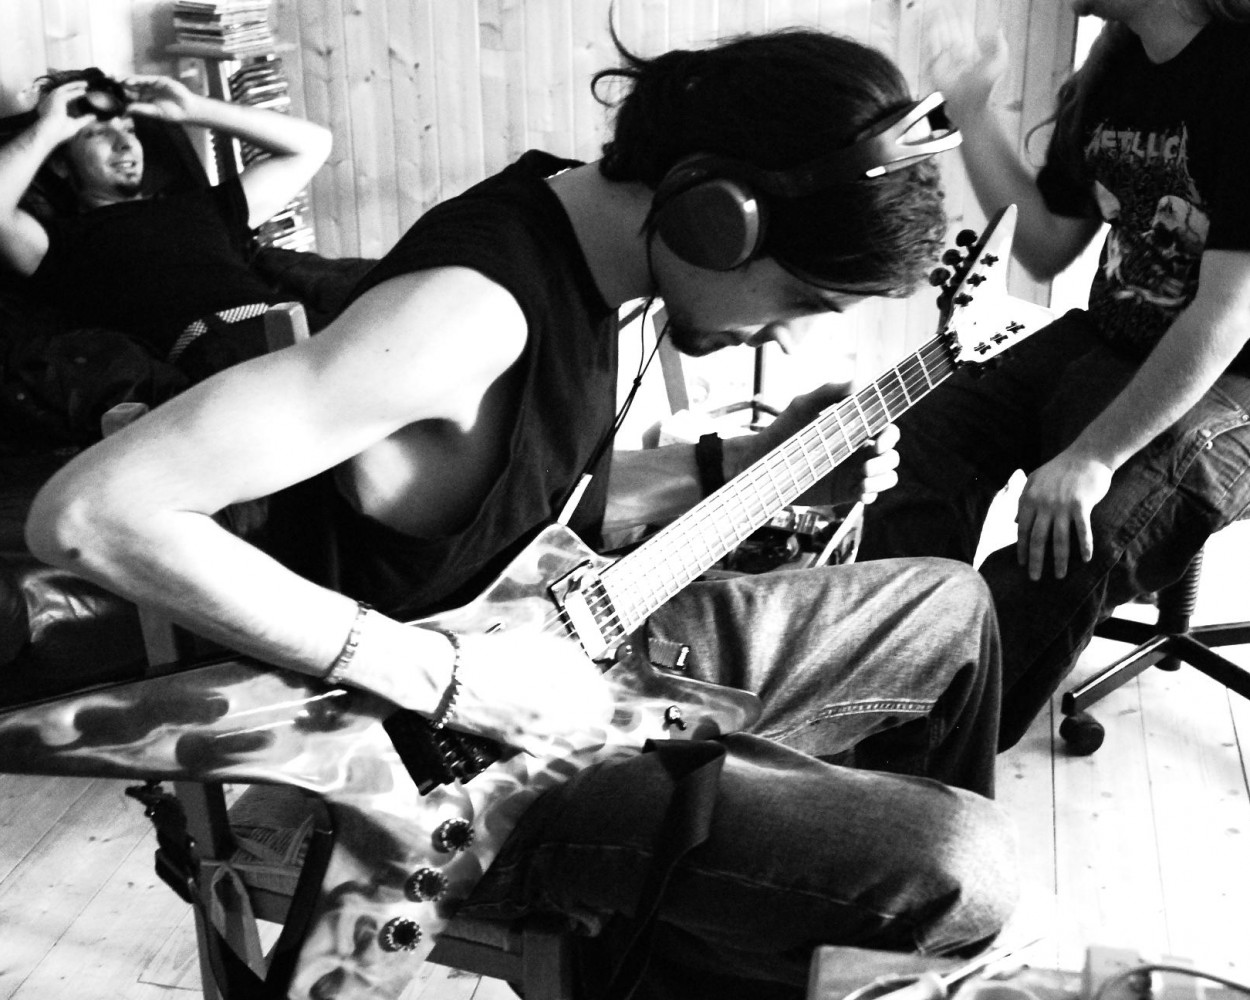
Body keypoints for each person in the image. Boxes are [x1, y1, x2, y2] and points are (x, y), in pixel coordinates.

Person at [24, 28, 1017, 1000]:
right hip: (452, 764)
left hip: (569, 643)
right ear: (717, 217)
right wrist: (448, 677)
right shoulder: (462, 318)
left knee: (952, 606)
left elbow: (524, 500)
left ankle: (769, 905)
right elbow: (93, 513)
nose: (783, 333)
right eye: (798, 299)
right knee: (956, 864)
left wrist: (751, 461)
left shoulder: (588, 255)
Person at [857, 0, 1250, 751]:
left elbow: (1227, 316)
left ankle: (913, 766)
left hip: (1235, 379)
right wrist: (971, 110)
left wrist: (1093, 455)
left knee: (1078, 536)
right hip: (1110, 338)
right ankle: (872, 694)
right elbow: (1044, 243)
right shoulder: (1118, 65)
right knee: (918, 442)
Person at [0, 68, 331, 381]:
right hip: (219, 357)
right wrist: (46, 130)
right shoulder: (59, 242)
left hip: (304, 330)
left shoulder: (202, 206)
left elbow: (313, 145)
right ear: (60, 164)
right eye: (98, 133)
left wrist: (193, 108)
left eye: (130, 130)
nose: (124, 143)